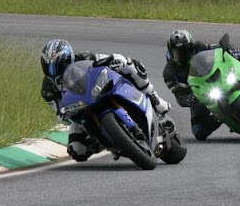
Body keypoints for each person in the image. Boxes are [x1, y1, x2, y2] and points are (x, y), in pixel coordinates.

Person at [40, 39, 170, 161]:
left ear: (69, 58)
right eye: (48, 67)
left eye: (59, 65)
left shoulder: (84, 57)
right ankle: (104, 142)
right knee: (77, 150)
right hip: (81, 107)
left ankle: (154, 98)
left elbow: (108, 58)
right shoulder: (48, 90)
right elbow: (61, 113)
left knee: (130, 65)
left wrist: (117, 60)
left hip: (99, 88)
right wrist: (64, 115)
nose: (54, 71)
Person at [163, 29, 240, 141]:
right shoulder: (169, 72)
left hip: (220, 76)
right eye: (177, 53)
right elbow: (179, 95)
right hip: (201, 94)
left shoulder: (200, 46)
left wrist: (229, 50)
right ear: (170, 52)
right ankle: (219, 117)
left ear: (191, 46)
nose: (182, 55)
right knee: (198, 131)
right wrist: (189, 98)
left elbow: (217, 50)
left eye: (185, 50)